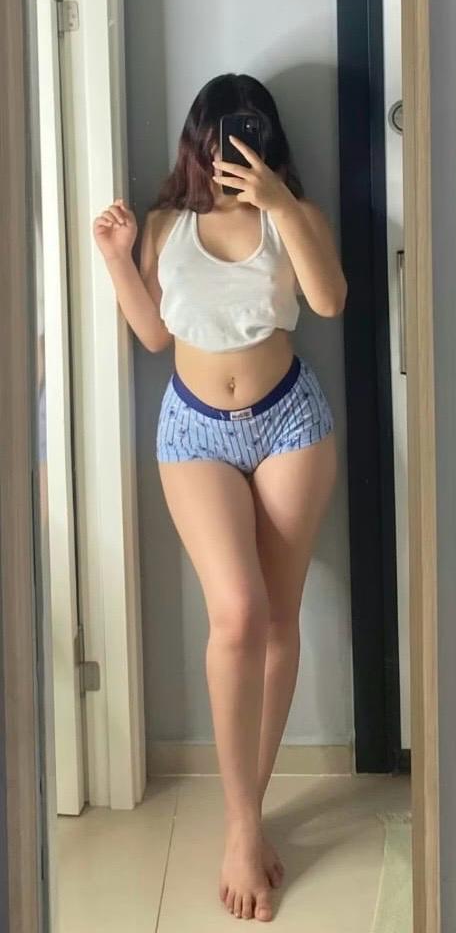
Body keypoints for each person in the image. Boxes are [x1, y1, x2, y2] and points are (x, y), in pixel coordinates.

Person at [93, 73, 347, 922]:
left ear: (267, 139)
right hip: (194, 431)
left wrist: (278, 203)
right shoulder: (167, 224)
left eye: (247, 135)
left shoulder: (294, 216)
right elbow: (152, 335)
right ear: (195, 142)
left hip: (289, 424)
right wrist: (115, 258)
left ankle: (247, 818)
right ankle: (243, 824)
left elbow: (328, 300)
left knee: (278, 618)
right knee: (236, 614)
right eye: (217, 138)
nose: (228, 152)